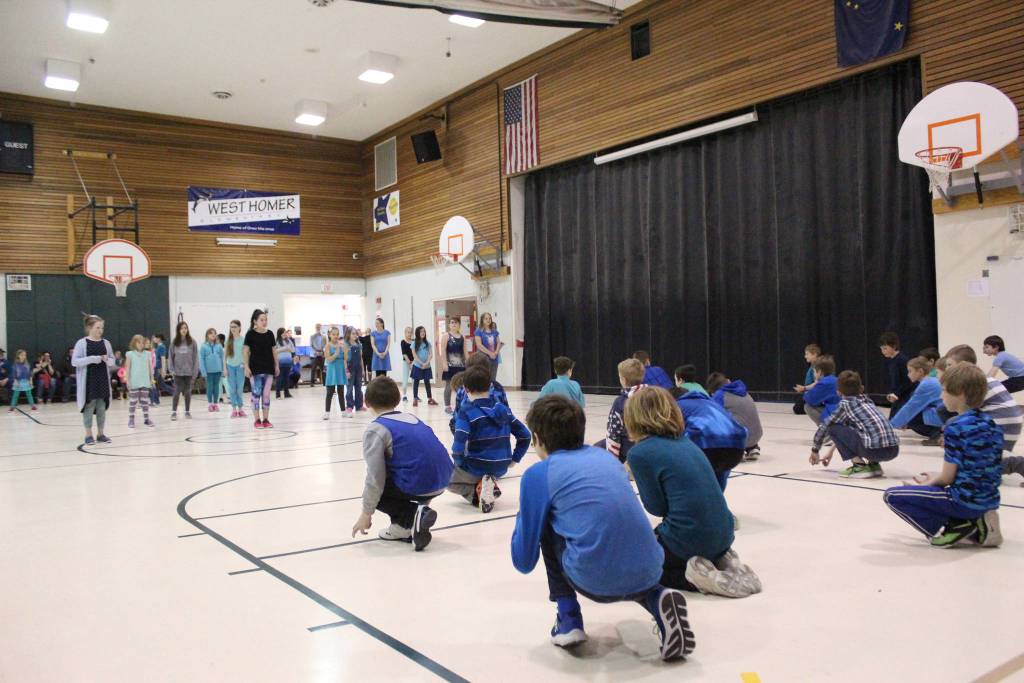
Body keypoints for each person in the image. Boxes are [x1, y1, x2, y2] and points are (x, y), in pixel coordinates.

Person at [511, 395, 695, 661]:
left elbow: (523, 561)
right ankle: (658, 598)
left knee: (549, 526)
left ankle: (569, 619)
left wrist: (526, 512)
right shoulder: (606, 459)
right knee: (615, 536)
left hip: (594, 578)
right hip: (653, 569)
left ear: (537, 438)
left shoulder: (539, 474)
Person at [625, 387, 760, 598]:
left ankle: (699, 580)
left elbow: (656, 507)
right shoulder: (688, 443)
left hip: (689, 537)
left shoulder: (640, 453)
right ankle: (723, 562)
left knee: (637, 569)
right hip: (724, 533)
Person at [883, 363, 1002, 548]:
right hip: (990, 499)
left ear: (960, 393)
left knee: (892, 495)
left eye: (944, 391)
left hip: (964, 501)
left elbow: (947, 477)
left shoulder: (955, 427)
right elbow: (976, 467)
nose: (941, 396)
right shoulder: (991, 424)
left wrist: (926, 486)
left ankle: (952, 527)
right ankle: (978, 521)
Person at [351, 377, 454, 550]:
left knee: (378, 488)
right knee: (401, 463)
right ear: (398, 400)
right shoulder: (412, 418)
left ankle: (411, 518)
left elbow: (375, 477)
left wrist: (366, 513)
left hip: (420, 483)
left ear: (366, 402)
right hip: (443, 479)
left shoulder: (376, 429)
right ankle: (406, 525)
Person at [448, 366, 530, 513]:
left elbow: (458, 447)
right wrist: (514, 459)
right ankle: (488, 485)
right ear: (491, 386)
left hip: (475, 466)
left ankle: (476, 492)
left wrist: (461, 464)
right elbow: (525, 435)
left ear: (465, 389)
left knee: (443, 477)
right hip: (501, 467)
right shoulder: (504, 410)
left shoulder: (466, 411)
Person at [808, 370, 900, 479]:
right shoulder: (867, 400)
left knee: (833, 427)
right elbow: (850, 434)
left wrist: (815, 450)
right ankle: (874, 465)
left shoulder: (845, 404)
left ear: (838, 392)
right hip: (894, 450)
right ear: (862, 388)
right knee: (865, 431)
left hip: (873, 452)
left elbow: (826, 426)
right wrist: (831, 451)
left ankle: (859, 466)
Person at [942, 344, 1022, 453]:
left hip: (1001, 427)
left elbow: (964, 413)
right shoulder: (984, 378)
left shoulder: (971, 382)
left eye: (949, 365)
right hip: (1010, 426)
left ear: (963, 365)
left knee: (953, 423)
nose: (946, 369)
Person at [675, 386, 748, 490]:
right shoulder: (713, 403)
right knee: (718, 486)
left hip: (706, 446)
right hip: (737, 448)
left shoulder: (677, 405)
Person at [71, 314, 115, 444]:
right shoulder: (81, 343)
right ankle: (88, 435)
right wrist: (92, 359)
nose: (100, 330)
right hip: (89, 381)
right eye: (97, 328)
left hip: (102, 379)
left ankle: (101, 434)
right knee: (89, 407)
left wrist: (108, 360)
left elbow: (112, 361)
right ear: (90, 327)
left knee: (101, 407)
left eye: (102, 328)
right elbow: (75, 362)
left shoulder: (106, 343)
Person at [597, 358, 646, 462]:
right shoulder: (652, 396)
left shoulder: (620, 402)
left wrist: (612, 461)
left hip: (630, 447)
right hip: (650, 444)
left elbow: (613, 434)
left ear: (623, 380)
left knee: (596, 450)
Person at [706, 372, 763, 461]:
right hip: (757, 435)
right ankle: (752, 448)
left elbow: (712, 418)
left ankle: (737, 450)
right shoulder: (743, 391)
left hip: (740, 438)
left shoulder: (719, 395)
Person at [888, 356, 943, 445]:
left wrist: (891, 426)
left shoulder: (926, 384)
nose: (908, 375)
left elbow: (910, 408)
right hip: (942, 415)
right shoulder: (930, 381)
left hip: (942, 416)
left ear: (920, 371)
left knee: (912, 417)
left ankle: (936, 435)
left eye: (910, 371)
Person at [243, 309, 280, 429]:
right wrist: (246, 367)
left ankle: (266, 419)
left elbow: (274, 350)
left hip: (268, 369)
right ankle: (257, 420)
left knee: (266, 394)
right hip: (255, 370)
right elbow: (245, 351)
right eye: (261, 320)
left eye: (266, 320)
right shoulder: (250, 334)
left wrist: (276, 365)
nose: (264, 322)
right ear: (255, 321)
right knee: (256, 394)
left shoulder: (270, 334)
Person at [168, 321, 199, 421]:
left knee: (188, 392)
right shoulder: (174, 342)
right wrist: (171, 369)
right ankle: (173, 412)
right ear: (178, 330)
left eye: (185, 328)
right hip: (178, 372)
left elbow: (195, 358)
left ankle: (187, 411)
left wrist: (195, 371)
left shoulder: (192, 342)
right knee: (176, 392)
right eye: (182, 328)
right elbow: (170, 357)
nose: (184, 330)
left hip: (189, 372)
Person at [438, 317, 469, 415]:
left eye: (456, 323)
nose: (454, 324)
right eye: (452, 322)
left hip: (460, 366)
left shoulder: (462, 337)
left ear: (459, 325)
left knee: (461, 386)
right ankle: (447, 406)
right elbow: (442, 350)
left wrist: (469, 363)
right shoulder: (446, 336)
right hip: (449, 366)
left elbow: (465, 352)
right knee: (449, 386)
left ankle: (460, 405)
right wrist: (444, 363)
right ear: (449, 325)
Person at [879, 332, 914, 416]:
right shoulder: (891, 361)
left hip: (905, 395)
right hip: (898, 395)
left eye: (885, 348)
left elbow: (908, 381)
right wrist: (892, 393)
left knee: (897, 421)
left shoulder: (902, 360)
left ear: (894, 346)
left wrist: (896, 393)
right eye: (881, 349)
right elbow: (895, 381)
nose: (883, 352)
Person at [124, 334, 154, 428]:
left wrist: (151, 379)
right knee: (133, 401)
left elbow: (150, 368)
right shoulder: (130, 354)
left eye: (142, 343)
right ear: (134, 343)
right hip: (134, 381)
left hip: (145, 381)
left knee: (145, 401)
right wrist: (127, 380)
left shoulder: (147, 354)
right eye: (138, 342)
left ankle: (146, 419)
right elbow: (128, 368)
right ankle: (131, 419)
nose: (141, 344)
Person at [803, 355, 840, 426]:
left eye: (814, 372)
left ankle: (826, 428)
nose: (814, 374)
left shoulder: (824, 382)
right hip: (842, 411)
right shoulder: (835, 379)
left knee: (807, 406)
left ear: (819, 372)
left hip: (836, 414)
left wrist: (814, 385)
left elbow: (809, 398)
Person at [224, 320, 247, 418]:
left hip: (240, 367)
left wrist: (245, 365)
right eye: (231, 327)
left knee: (239, 389)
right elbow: (224, 357)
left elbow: (246, 354)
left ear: (239, 328)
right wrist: (224, 368)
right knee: (232, 389)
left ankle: (240, 409)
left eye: (234, 326)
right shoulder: (228, 340)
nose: (232, 329)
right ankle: (234, 409)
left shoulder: (243, 340)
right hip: (230, 367)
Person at [323, 327, 347, 420]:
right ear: (330, 335)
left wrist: (344, 349)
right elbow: (328, 359)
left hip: (340, 370)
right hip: (332, 371)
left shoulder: (341, 345)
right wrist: (336, 353)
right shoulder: (328, 346)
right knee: (330, 392)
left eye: (337, 334)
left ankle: (343, 411)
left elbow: (345, 358)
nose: (336, 336)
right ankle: (327, 412)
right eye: (334, 334)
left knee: (341, 391)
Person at [410, 325, 437, 407]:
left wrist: (426, 363)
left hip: (427, 366)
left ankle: (430, 399)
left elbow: (431, 354)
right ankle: (415, 399)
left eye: (424, 331)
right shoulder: (414, 343)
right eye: (421, 331)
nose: (423, 333)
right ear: (417, 333)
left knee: (427, 382)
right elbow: (414, 355)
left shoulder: (427, 343)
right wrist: (421, 363)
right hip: (417, 365)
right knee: (416, 382)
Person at [199, 327, 224, 412]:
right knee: (209, 387)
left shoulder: (219, 346)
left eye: (214, 333)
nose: (213, 335)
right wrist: (203, 371)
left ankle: (216, 404)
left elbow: (222, 358)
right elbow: (201, 359)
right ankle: (210, 404)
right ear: (207, 335)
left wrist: (223, 369)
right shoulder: (203, 346)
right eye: (211, 333)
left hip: (218, 370)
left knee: (216, 387)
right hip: (208, 371)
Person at [793, 343, 822, 415]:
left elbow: (817, 383)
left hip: (815, 393)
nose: (805, 356)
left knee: (797, 408)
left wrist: (804, 388)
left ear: (814, 354)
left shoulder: (817, 366)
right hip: (809, 392)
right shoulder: (813, 365)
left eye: (807, 354)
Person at [475, 312, 503, 382]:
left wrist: (496, 352)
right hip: (483, 358)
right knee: (484, 378)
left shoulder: (494, 331)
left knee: (493, 379)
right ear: (482, 320)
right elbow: (479, 345)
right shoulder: (478, 331)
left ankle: (492, 392)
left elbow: (498, 342)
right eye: (486, 318)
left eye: (490, 318)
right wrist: (490, 353)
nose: (488, 320)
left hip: (494, 357)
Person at [345, 327, 365, 414]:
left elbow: (361, 358)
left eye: (356, 334)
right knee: (349, 388)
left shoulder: (359, 345)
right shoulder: (346, 345)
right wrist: (346, 371)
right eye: (353, 333)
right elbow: (345, 360)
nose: (355, 335)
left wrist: (363, 369)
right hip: (350, 368)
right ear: (348, 334)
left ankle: (359, 405)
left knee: (359, 387)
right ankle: (349, 406)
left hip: (358, 369)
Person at [151, 333, 172, 405]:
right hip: (156, 368)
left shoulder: (162, 347)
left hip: (158, 368)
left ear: (158, 338)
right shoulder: (158, 347)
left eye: (154, 338)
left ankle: (156, 401)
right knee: (161, 385)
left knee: (156, 385)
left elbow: (163, 359)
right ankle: (156, 401)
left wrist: (163, 370)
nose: (153, 339)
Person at [275, 328, 295, 399]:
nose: (285, 334)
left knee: (286, 378)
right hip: (280, 362)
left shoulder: (289, 340)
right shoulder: (277, 341)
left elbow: (293, 349)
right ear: (280, 333)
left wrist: (288, 349)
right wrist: (284, 349)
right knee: (279, 378)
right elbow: (275, 351)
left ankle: (287, 393)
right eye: (283, 333)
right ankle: (278, 394)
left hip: (288, 362)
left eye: (285, 332)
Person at [400, 326, 414, 401]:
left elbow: (415, 353)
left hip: (414, 363)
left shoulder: (414, 341)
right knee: (405, 381)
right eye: (408, 332)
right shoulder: (403, 342)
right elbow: (404, 353)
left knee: (414, 380)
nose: (409, 334)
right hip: (406, 363)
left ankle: (415, 396)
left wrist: (414, 362)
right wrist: (409, 363)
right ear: (405, 333)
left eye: (410, 332)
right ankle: (404, 396)